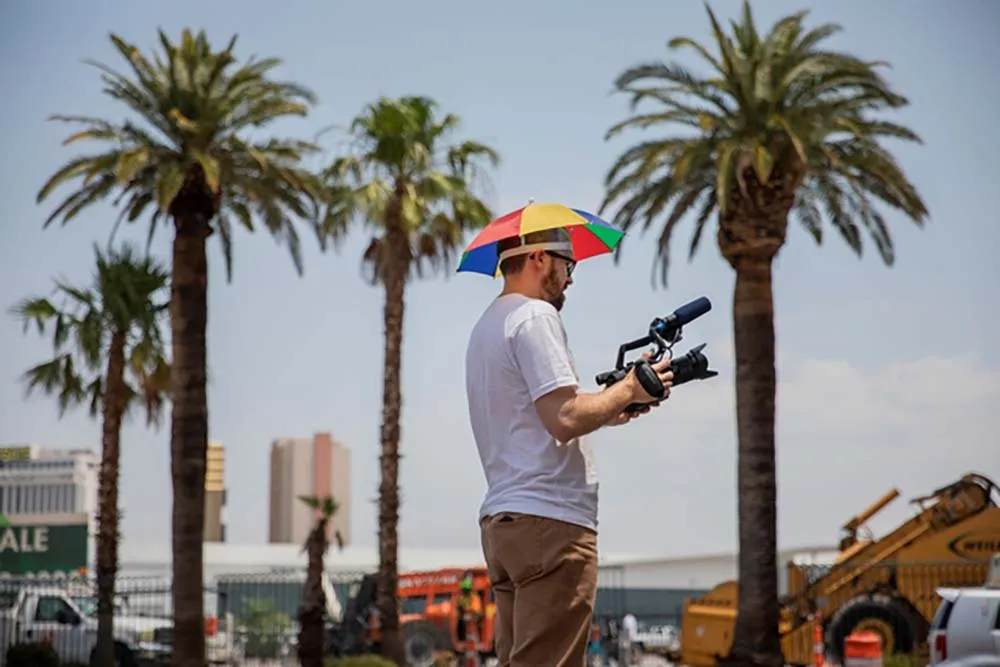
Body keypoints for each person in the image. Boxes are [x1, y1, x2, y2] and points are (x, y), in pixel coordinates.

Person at [465, 228, 675, 666]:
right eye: (568, 264)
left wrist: (616, 405)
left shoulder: (487, 325)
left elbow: (542, 418)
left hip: (507, 522)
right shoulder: (535, 317)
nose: (571, 279)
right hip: (551, 523)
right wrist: (632, 386)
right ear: (540, 258)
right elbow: (563, 419)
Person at [456, 570, 483, 644]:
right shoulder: (463, 597)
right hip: (468, 615)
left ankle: (473, 641)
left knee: (470, 625)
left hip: (474, 615)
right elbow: (460, 605)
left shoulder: (474, 597)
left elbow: (475, 609)